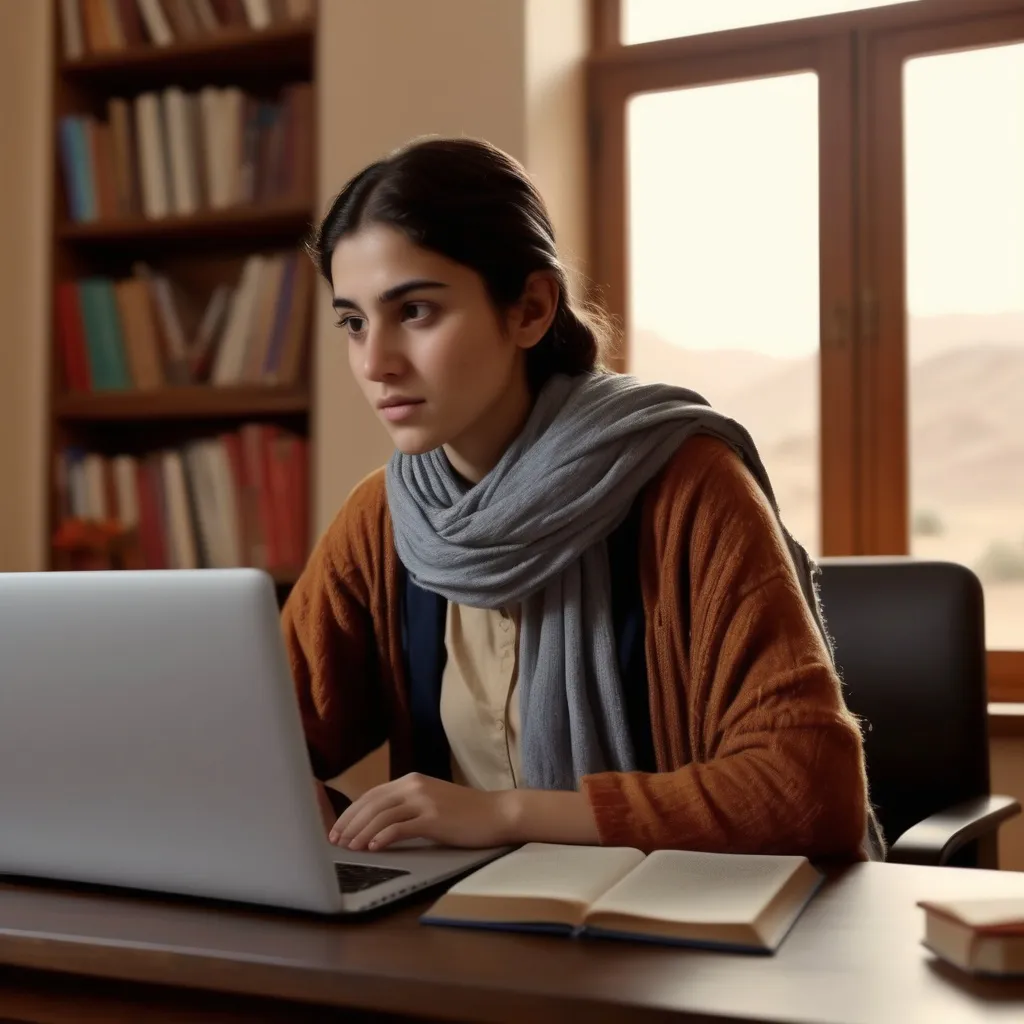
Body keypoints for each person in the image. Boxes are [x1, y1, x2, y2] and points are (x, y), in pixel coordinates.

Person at [283, 136, 882, 861]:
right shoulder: (383, 519)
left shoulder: (686, 484)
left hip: (681, 935)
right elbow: (263, 731)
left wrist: (507, 815)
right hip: (461, 931)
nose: (374, 363)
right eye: (353, 322)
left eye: (415, 312)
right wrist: (277, 794)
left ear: (531, 309)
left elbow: (805, 791)